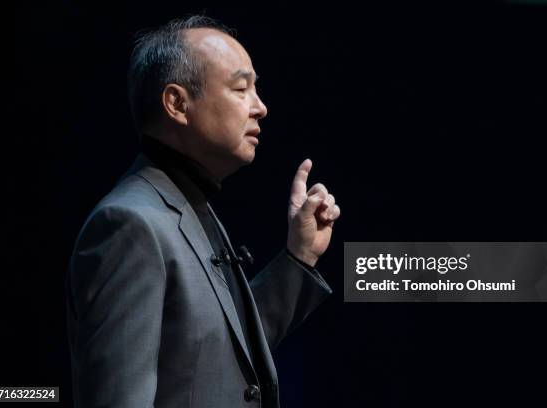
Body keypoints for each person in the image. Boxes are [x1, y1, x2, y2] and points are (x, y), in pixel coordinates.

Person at [66, 15, 341, 408]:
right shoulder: (130, 225)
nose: (260, 108)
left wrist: (299, 256)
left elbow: (223, 357)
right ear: (177, 103)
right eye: (241, 88)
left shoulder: (187, 206)